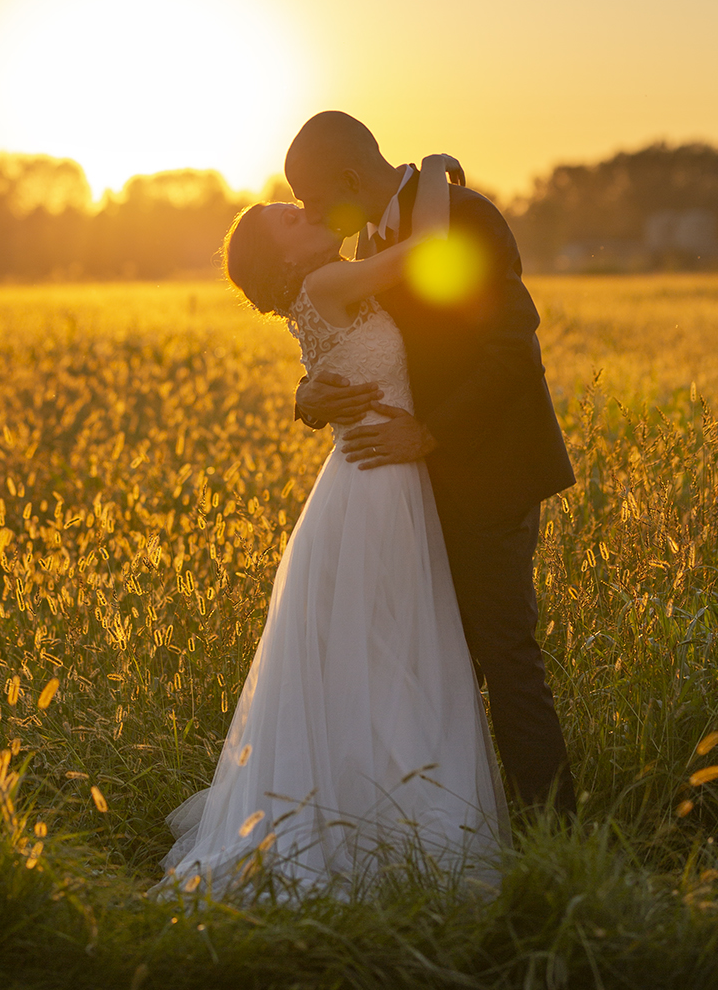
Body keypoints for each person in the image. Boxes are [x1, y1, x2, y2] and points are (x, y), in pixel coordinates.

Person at [161, 151, 506, 898]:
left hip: (379, 477)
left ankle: (384, 807)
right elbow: (432, 254)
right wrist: (436, 176)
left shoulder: (327, 285)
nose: (302, 210)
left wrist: (311, 390)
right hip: (376, 485)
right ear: (281, 256)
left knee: (382, 653)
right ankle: (389, 821)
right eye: (287, 217)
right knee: (388, 648)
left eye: (300, 202)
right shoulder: (326, 282)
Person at [285, 111, 577, 816]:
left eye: (315, 196)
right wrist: (308, 395)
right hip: (406, 490)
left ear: (352, 179)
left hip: (487, 472)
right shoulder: (368, 238)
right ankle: (433, 823)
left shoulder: (466, 219)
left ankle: (557, 836)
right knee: (429, 665)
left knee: (505, 659)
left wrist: (430, 435)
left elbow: (513, 349)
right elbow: (354, 347)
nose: (311, 213)